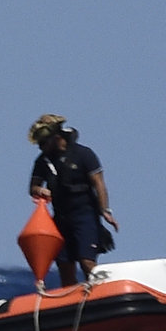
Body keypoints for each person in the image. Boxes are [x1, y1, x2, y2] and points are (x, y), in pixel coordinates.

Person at [27, 115, 116, 287]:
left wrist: (105, 211)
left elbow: (99, 184)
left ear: (56, 138)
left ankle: (100, 292)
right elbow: (32, 187)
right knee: (65, 266)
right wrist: (39, 190)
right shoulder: (42, 161)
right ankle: (73, 304)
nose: (41, 147)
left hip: (84, 214)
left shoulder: (83, 154)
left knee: (86, 261)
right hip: (60, 218)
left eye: (44, 142)